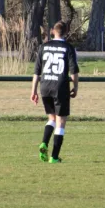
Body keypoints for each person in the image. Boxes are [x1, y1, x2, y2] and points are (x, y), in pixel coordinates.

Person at [31, 21, 80, 163]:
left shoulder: (43, 47)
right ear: (66, 31)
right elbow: (74, 71)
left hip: (45, 86)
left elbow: (36, 72)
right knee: (61, 122)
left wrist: (33, 91)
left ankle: (44, 143)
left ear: (53, 31)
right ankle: (54, 157)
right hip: (60, 87)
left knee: (51, 119)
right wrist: (75, 87)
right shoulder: (69, 48)